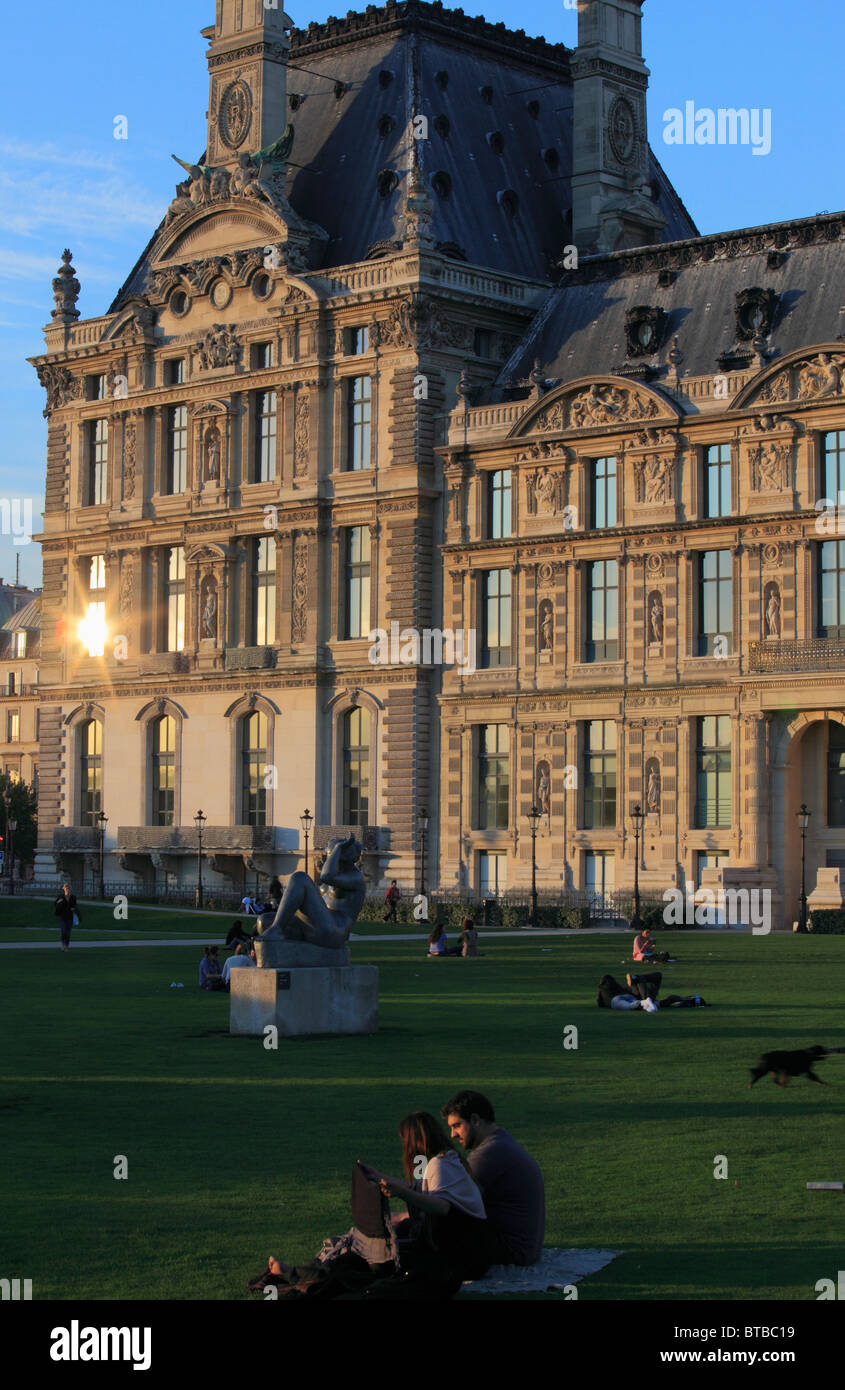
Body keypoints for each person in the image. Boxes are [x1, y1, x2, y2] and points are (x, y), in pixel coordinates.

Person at [249, 1112, 491, 1300]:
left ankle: (295, 1280)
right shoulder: (444, 1162)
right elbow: (420, 1189)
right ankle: (296, 1279)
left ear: (415, 1141)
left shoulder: (440, 1165)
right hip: (460, 1253)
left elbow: (442, 1206)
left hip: (458, 1258)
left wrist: (402, 1193)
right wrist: (381, 1176)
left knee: (358, 1265)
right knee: (354, 1262)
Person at [441, 1090, 545, 1268]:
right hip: (524, 1247)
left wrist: (404, 1216)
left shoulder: (489, 1154)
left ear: (475, 1120)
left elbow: (449, 1201)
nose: (453, 1134)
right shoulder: (501, 1142)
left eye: (457, 1126)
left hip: (512, 1251)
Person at [54, 883, 79, 953]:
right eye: (66, 887)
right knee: (64, 930)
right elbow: (55, 904)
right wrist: (59, 903)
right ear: (64, 888)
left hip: (69, 917)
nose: (67, 889)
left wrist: (73, 909)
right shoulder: (61, 897)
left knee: (68, 933)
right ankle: (62, 945)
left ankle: (66, 946)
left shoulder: (73, 897)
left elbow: (74, 906)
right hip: (62, 916)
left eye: (69, 887)